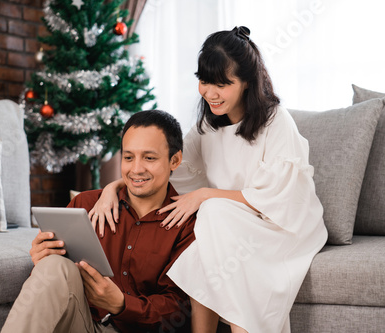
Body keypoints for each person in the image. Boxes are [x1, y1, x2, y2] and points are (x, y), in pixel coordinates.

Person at [90, 27, 328, 333]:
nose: (210, 93)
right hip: (231, 221)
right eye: (204, 82)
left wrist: (205, 195)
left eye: (222, 84)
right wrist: (112, 188)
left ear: (246, 83)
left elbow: (279, 196)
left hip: (284, 223)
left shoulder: (275, 120)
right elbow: (162, 164)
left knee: (210, 212)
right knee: (201, 236)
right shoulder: (206, 128)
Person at [1, 110, 196, 333]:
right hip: (82, 324)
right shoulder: (86, 204)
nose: (136, 169)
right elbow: (48, 289)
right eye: (128, 157)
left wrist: (122, 304)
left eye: (149, 158)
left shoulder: (187, 225)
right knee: (54, 264)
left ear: (175, 160)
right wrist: (42, 260)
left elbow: (181, 309)